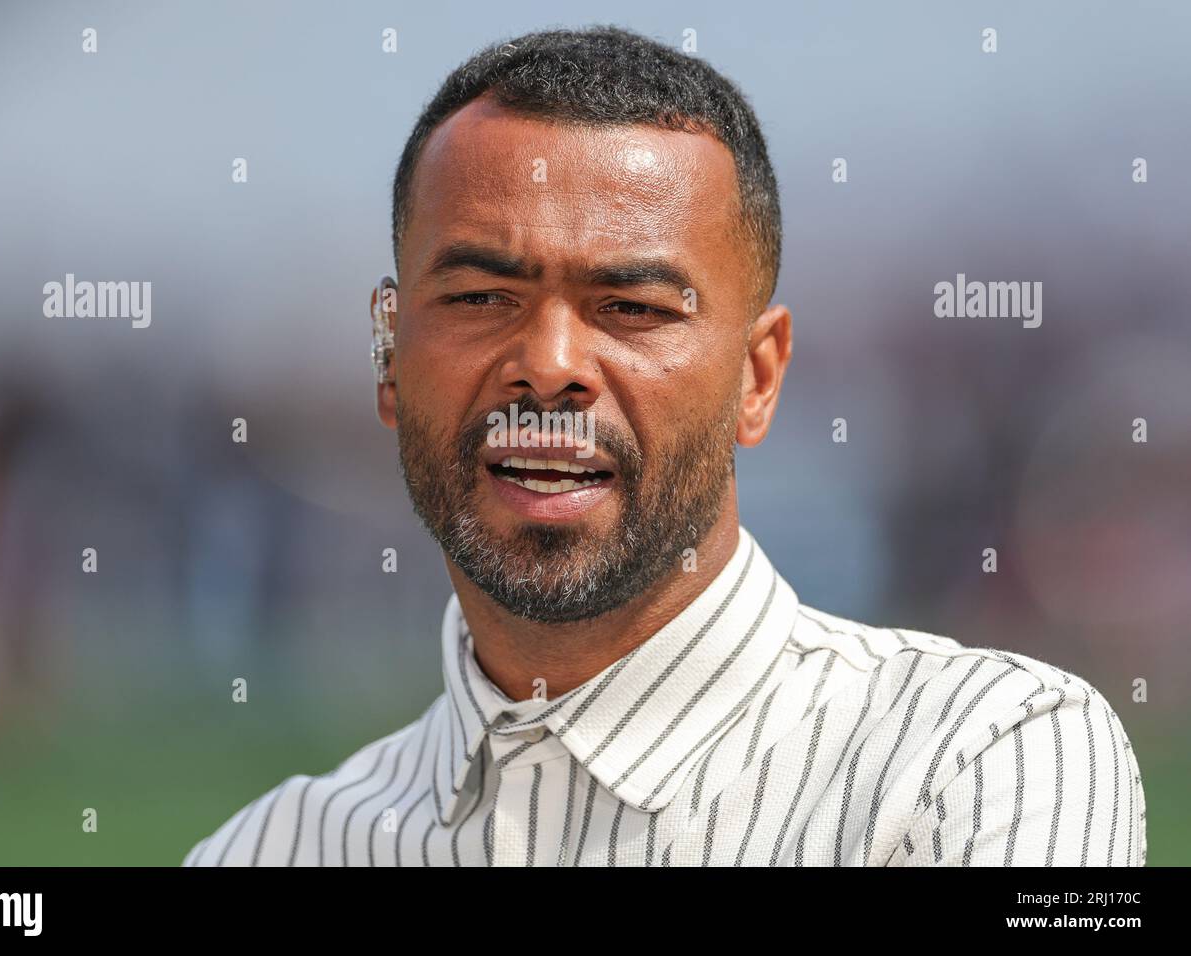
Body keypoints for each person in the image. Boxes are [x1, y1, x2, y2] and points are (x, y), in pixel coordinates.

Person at [184, 25, 1145, 867]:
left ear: (757, 377)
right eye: (481, 298)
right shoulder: (268, 850)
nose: (550, 364)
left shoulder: (980, 761)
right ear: (389, 354)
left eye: (632, 308)